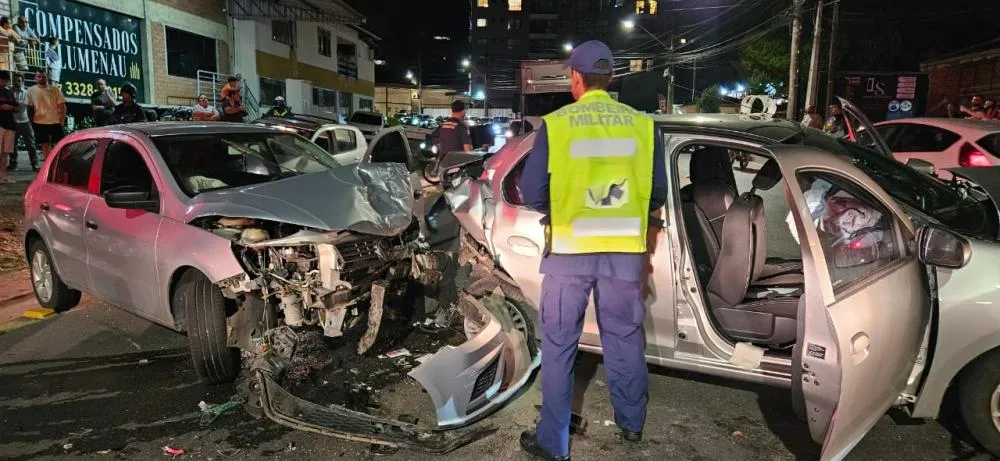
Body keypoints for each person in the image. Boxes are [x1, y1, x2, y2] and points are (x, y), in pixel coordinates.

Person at [517, 40, 667, 461]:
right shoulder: (643, 126)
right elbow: (656, 193)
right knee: (624, 337)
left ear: (575, 78)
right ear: (613, 77)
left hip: (569, 249)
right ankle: (632, 425)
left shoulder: (557, 124)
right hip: (623, 252)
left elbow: (531, 193)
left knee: (560, 343)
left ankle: (553, 443)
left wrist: (560, 207)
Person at [26, 70, 65, 159]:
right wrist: (32, 123)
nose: (41, 78)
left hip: (55, 122)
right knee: (45, 145)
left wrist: (61, 122)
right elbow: (29, 108)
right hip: (39, 122)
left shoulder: (55, 89)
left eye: (43, 76)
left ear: (47, 77)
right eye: (39, 76)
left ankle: (58, 163)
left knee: (59, 145)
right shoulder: (30, 90)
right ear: (35, 78)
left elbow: (62, 107)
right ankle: (48, 166)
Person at [10, 73, 37, 171]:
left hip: (25, 121)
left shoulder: (26, 93)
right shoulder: (9, 92)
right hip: (13, 122)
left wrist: (12, 106)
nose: (17, 82)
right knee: (12, 145)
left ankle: (35, 164)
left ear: (22, 82)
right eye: (15, 80)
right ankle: (13, 164)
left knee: (30, 144)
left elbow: (23, 106)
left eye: (19, 80)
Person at [0, 72, 16, 183]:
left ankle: (3, 175)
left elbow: (16, 107)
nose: (4, 82)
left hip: (10, 125)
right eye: (2, 80)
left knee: (6, 152)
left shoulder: (9, 92)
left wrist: (8, 107)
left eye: (5, 80)